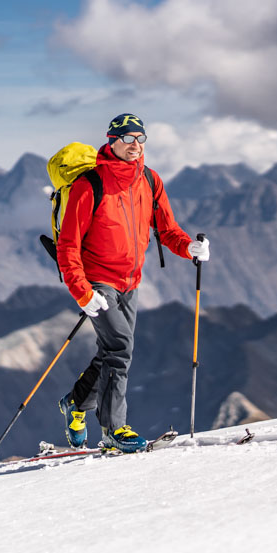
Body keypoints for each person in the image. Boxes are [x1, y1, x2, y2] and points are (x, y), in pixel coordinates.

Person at [55, 113, 210, 452]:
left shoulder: (150, 181)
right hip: (97, 281)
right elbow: (67, 246)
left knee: (111, 351)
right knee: (121, 348)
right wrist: (82, 292)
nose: (135, 146)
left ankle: (76, 405)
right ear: (111, 142)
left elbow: (167, 230)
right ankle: (114, 432)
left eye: (140, 139)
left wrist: (189, 247)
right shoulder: (89, 185)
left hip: (131, 281)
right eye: (127, 139)